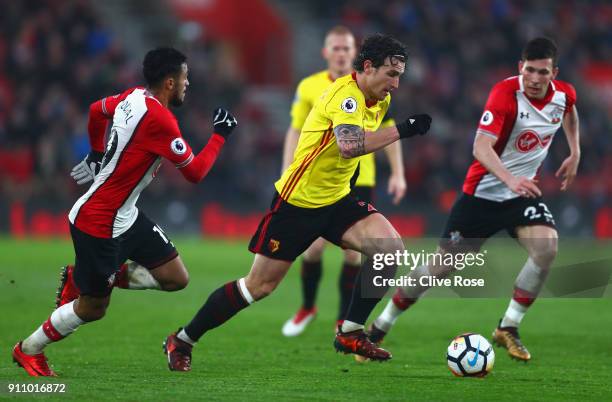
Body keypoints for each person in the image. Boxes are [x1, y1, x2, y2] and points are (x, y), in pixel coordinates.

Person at [163, 33, 432, 371]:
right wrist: (403, 130)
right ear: (367, 67)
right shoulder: (344, 95)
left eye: (399, 76)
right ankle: (183, 339)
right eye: (391, 74)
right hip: (298, 204)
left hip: (337, 199)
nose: (395, 84)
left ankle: (350, 331)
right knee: (258, 287)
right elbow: (349, 145)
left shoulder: (379, 99)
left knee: (390, 249)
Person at [12, 47, 238, 376]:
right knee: (93, 308)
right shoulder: (160, 119)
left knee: (176, 278)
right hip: (98, 223)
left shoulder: (132, 96)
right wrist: (220, 135)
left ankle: (89, 276)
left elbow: (95, 111)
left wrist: (95, 152)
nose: (188, 84)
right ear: (171, 82)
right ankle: (29, 349)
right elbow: (196, 173)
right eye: (186, 78)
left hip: (126, 216)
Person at [365, 37, 579, 362]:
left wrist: (575, 152)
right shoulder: (505, 95)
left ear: (554, 73)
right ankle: (382, 324)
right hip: (481, 197)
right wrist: (509, 179)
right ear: (521, 68)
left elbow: (570, 114)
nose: (535, 79)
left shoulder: (564, 94)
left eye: (543, 72)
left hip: (520, 197)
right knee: (439, 269)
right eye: (530, 70)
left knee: (547, 247)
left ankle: (508, 326)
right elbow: (480, 147)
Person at [281, 26, 406, 337]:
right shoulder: (311, 87)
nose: (340, 53)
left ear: (356, 55)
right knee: (313, 249)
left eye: (346, 48)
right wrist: (288, 167)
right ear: (326, 53)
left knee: (354, 254)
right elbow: (296, 130)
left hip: (360, 176)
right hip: (317, 180)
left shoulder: (378, 89)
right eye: (335, 48)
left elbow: (388, 131)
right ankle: (308, 306)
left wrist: (398, 173)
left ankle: (344, 321)